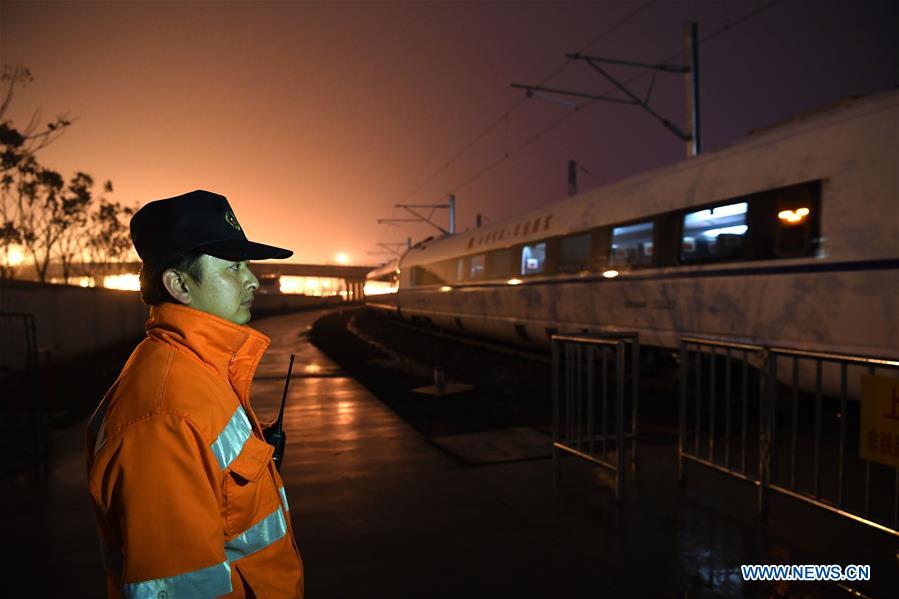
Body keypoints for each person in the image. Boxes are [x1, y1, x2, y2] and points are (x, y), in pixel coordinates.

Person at [86, 190, 304, 598]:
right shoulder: (164, 419)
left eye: (247, 266)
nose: (253, 280)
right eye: (234, 267)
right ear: (179, 284)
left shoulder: (199, 371)